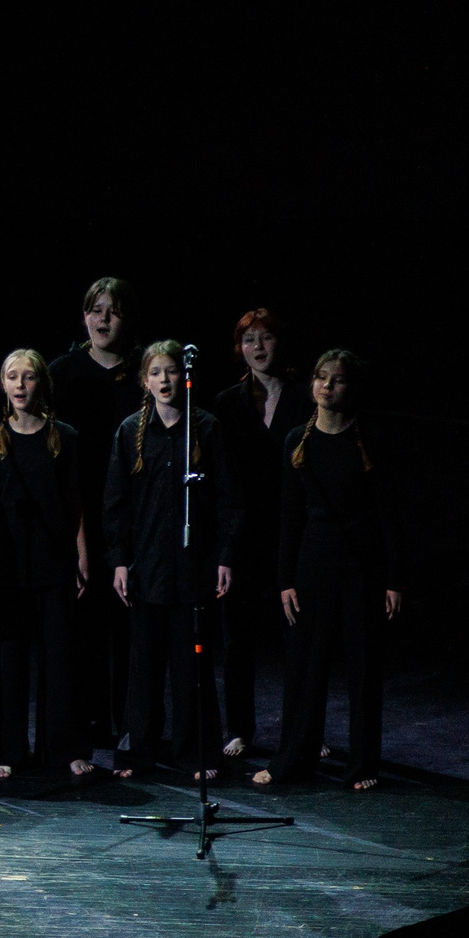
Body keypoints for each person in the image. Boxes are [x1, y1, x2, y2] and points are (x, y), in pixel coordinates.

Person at [258, 351, 403, 791]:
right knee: (305, 667)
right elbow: (288, 516)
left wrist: (395, 578)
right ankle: (293, 761)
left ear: (350, 388)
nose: (326, 387)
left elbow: (391, 514)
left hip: (361, 566)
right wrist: (284, 579)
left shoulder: (370, 440)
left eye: (336, 380)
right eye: (320, 378)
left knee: (362, 668)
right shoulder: (296, 441)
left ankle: (362, 766)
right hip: (313, 564)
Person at [102, 340, 239, 782]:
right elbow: (116, 503)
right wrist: (120, 560)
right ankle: (137, 751)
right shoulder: (129, 432)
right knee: (142, 667)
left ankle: (195, 752)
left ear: (185, 376)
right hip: (147, 568)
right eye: (156, 372)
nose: (165, 380)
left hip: (193, 565)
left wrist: (225, 555)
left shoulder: (206, 428)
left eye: (172, 371)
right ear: (145, 380)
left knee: (190, 665)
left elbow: (227, 499)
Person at [0, 350, 93, 780]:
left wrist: (81, 555)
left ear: (41, 383)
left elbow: (75, 501)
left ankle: (62, 748)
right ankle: (10, 748)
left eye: (28, 377)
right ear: (3, 385)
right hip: (8, 567)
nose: (20, 384)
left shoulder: (64, 436)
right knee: (10, 664)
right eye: (12, 377)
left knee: (59, 661)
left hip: (53, 561)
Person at [209, 308, 308, 759]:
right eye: (249, 340)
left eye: (266, 338)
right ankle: (241, 728)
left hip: (293, 532)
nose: (258, 348)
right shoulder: (228, 403)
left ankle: (304, 728)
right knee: (237, 639)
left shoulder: (305, 398)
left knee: (298, 636)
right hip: (242, 535)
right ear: (239, 349)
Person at [49, 277, 139, 753]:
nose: (104, 319)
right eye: (96, 309)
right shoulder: (63, 372)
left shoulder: (145, 372)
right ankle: (86, 721)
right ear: (84, 316)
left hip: (132, 513)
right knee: (83, 624)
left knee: (129, 623)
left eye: (114, 311)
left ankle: (130, 722)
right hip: (80, 509)